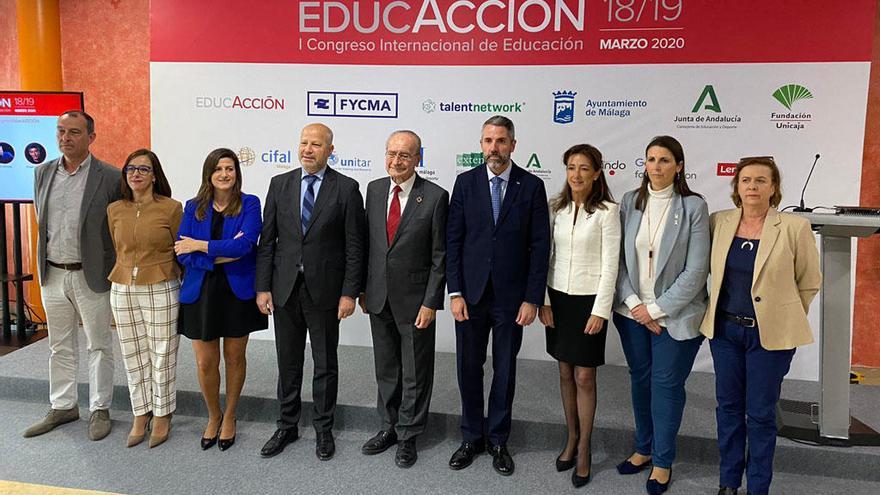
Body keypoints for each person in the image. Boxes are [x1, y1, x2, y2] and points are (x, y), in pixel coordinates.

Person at [700, 157, 820, 495]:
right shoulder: (718, 222)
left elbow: (809, 281)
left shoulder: (794, 227)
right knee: (729, 409)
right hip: (725, 332)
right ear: (736, 187)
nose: (752, 186)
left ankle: (758, 487)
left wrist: (784, 314)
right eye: (746, 180)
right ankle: (728, 481)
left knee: (761, 413)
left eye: (761, 181)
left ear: (774, 188)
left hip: (770, 336)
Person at [446, 115, 551, 476]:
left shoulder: (532, 186)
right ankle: (471, 436)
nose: (495, 147)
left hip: (511, 299)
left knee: (505, 370)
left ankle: (499, 439)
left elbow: (540, 247)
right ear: (481, 144)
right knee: (468, 368)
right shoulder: (465, 183)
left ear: (513, 145)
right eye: (489, 140)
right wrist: (455, 292)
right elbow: (453, 242)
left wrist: (532, 298)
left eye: (501, 141)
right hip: (470, 296)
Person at [256, 123, 365, 461]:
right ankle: (287, 425)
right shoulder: (279, 184)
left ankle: (323, 429)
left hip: (326, 292)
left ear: (330, 150)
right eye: (303, 143)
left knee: (324, 363)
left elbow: (354, 247)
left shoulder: (346, 188)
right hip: (285, 289)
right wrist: (263, 287)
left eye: (316, 144)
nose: (307, 149)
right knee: (288, 363)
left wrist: (349, 292)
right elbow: (268, 242)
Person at [612, 135, 709, 495]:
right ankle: (643, 448)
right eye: (650, 159)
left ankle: (663, 461)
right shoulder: (629, 202)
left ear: (679, 166)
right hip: (632, 311)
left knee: (666, 385)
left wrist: (654, 310)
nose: (656, 166)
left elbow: (696, 272)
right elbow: (618, 261)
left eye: (665, 160)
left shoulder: (694, 207)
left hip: (675, 315)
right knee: (641, 380)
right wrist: (637, 306)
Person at [26, 110, 120, 441]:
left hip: (91, 274)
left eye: (74, 132)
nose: (65, 138)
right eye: (61, 131)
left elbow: (116, 228)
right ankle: (64, 405)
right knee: (59, 345)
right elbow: (43, 220)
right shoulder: (42, 172)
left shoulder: (110, 177)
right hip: (53, 273)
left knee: (99, 345)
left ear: (91, 137)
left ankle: (100, 408)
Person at [359, 130, 448, 468]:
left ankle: (409, 435)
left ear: (418, 158)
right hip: (378, 297)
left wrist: (430, 302)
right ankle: (388, 427)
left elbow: (440, 257)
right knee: (386, 369)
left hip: (415, 302)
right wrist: (364, 290)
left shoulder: (436, 197)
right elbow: (370, 245)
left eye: (404, 156)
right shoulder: (375, 189)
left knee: (415, 371)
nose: (396, 161)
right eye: (391, 154)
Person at [175, 148, 267, 451]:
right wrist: (221, 253)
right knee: (204, 362)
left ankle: (230, 416)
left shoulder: (250, 204)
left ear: (237, 173)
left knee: (234, 358)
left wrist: (200, 246)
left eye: (230, 168)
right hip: (200, 291)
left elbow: (246, 247)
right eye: (218, 169)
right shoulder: (193, 207)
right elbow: (181, 253)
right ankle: (213, 415)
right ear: (209, 174)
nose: (224, 174)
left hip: (236, 291)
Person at [538, 144, 619, 488]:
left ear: (597, 172)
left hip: (589, 302)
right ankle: (570, 438)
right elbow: (545, 256)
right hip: (557, 298)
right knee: (565, 372)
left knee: (586, 378)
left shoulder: (608, 211)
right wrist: (543, 300)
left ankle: (584, 447)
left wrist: (601, 310)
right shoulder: (556, 207)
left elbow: (611, 265)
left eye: (584, 168)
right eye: (571, 167)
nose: (576, 174)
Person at [107, 149, 183, 448]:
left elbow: (180, 247)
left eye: (143, 169)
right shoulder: (114, 209)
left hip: (161, 283)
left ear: (154, 176)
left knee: (162, 353)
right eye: (130, 169)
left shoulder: (171, 208)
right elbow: (116, 247)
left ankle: (163, 413)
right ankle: (141, 411)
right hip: (123, 286)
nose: (135, 173)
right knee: (132, 353)